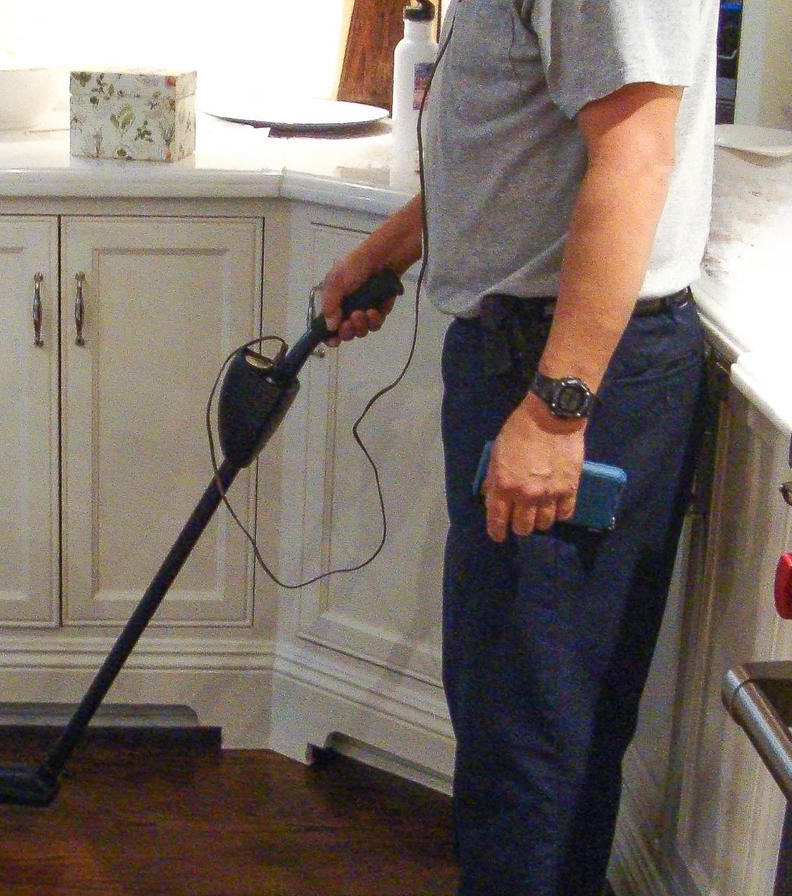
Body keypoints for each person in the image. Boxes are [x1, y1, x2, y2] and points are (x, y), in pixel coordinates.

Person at [319, 1, 718, 893]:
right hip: (533, 355)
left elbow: (635, 156)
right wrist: (395, 245)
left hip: (565, 370)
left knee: (529, 737)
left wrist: (554, 413)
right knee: (529, 721)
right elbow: (530, 135)